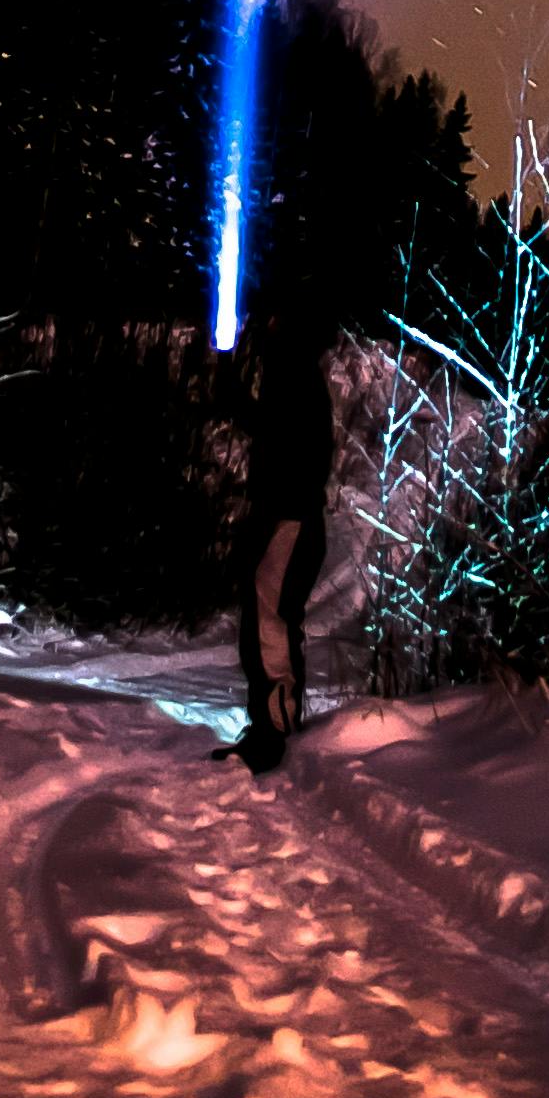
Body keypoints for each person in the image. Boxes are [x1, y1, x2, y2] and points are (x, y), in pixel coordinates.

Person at [229, 305, 337, 770]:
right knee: (267, 615)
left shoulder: (296, 373)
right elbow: (280, 432)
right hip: (286, 514)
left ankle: (276, 729)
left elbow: (291, 440)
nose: (265, 325)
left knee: (271, 617)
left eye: (273, 319)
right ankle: (269, 724)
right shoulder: (294, 372)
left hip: (290, 516)